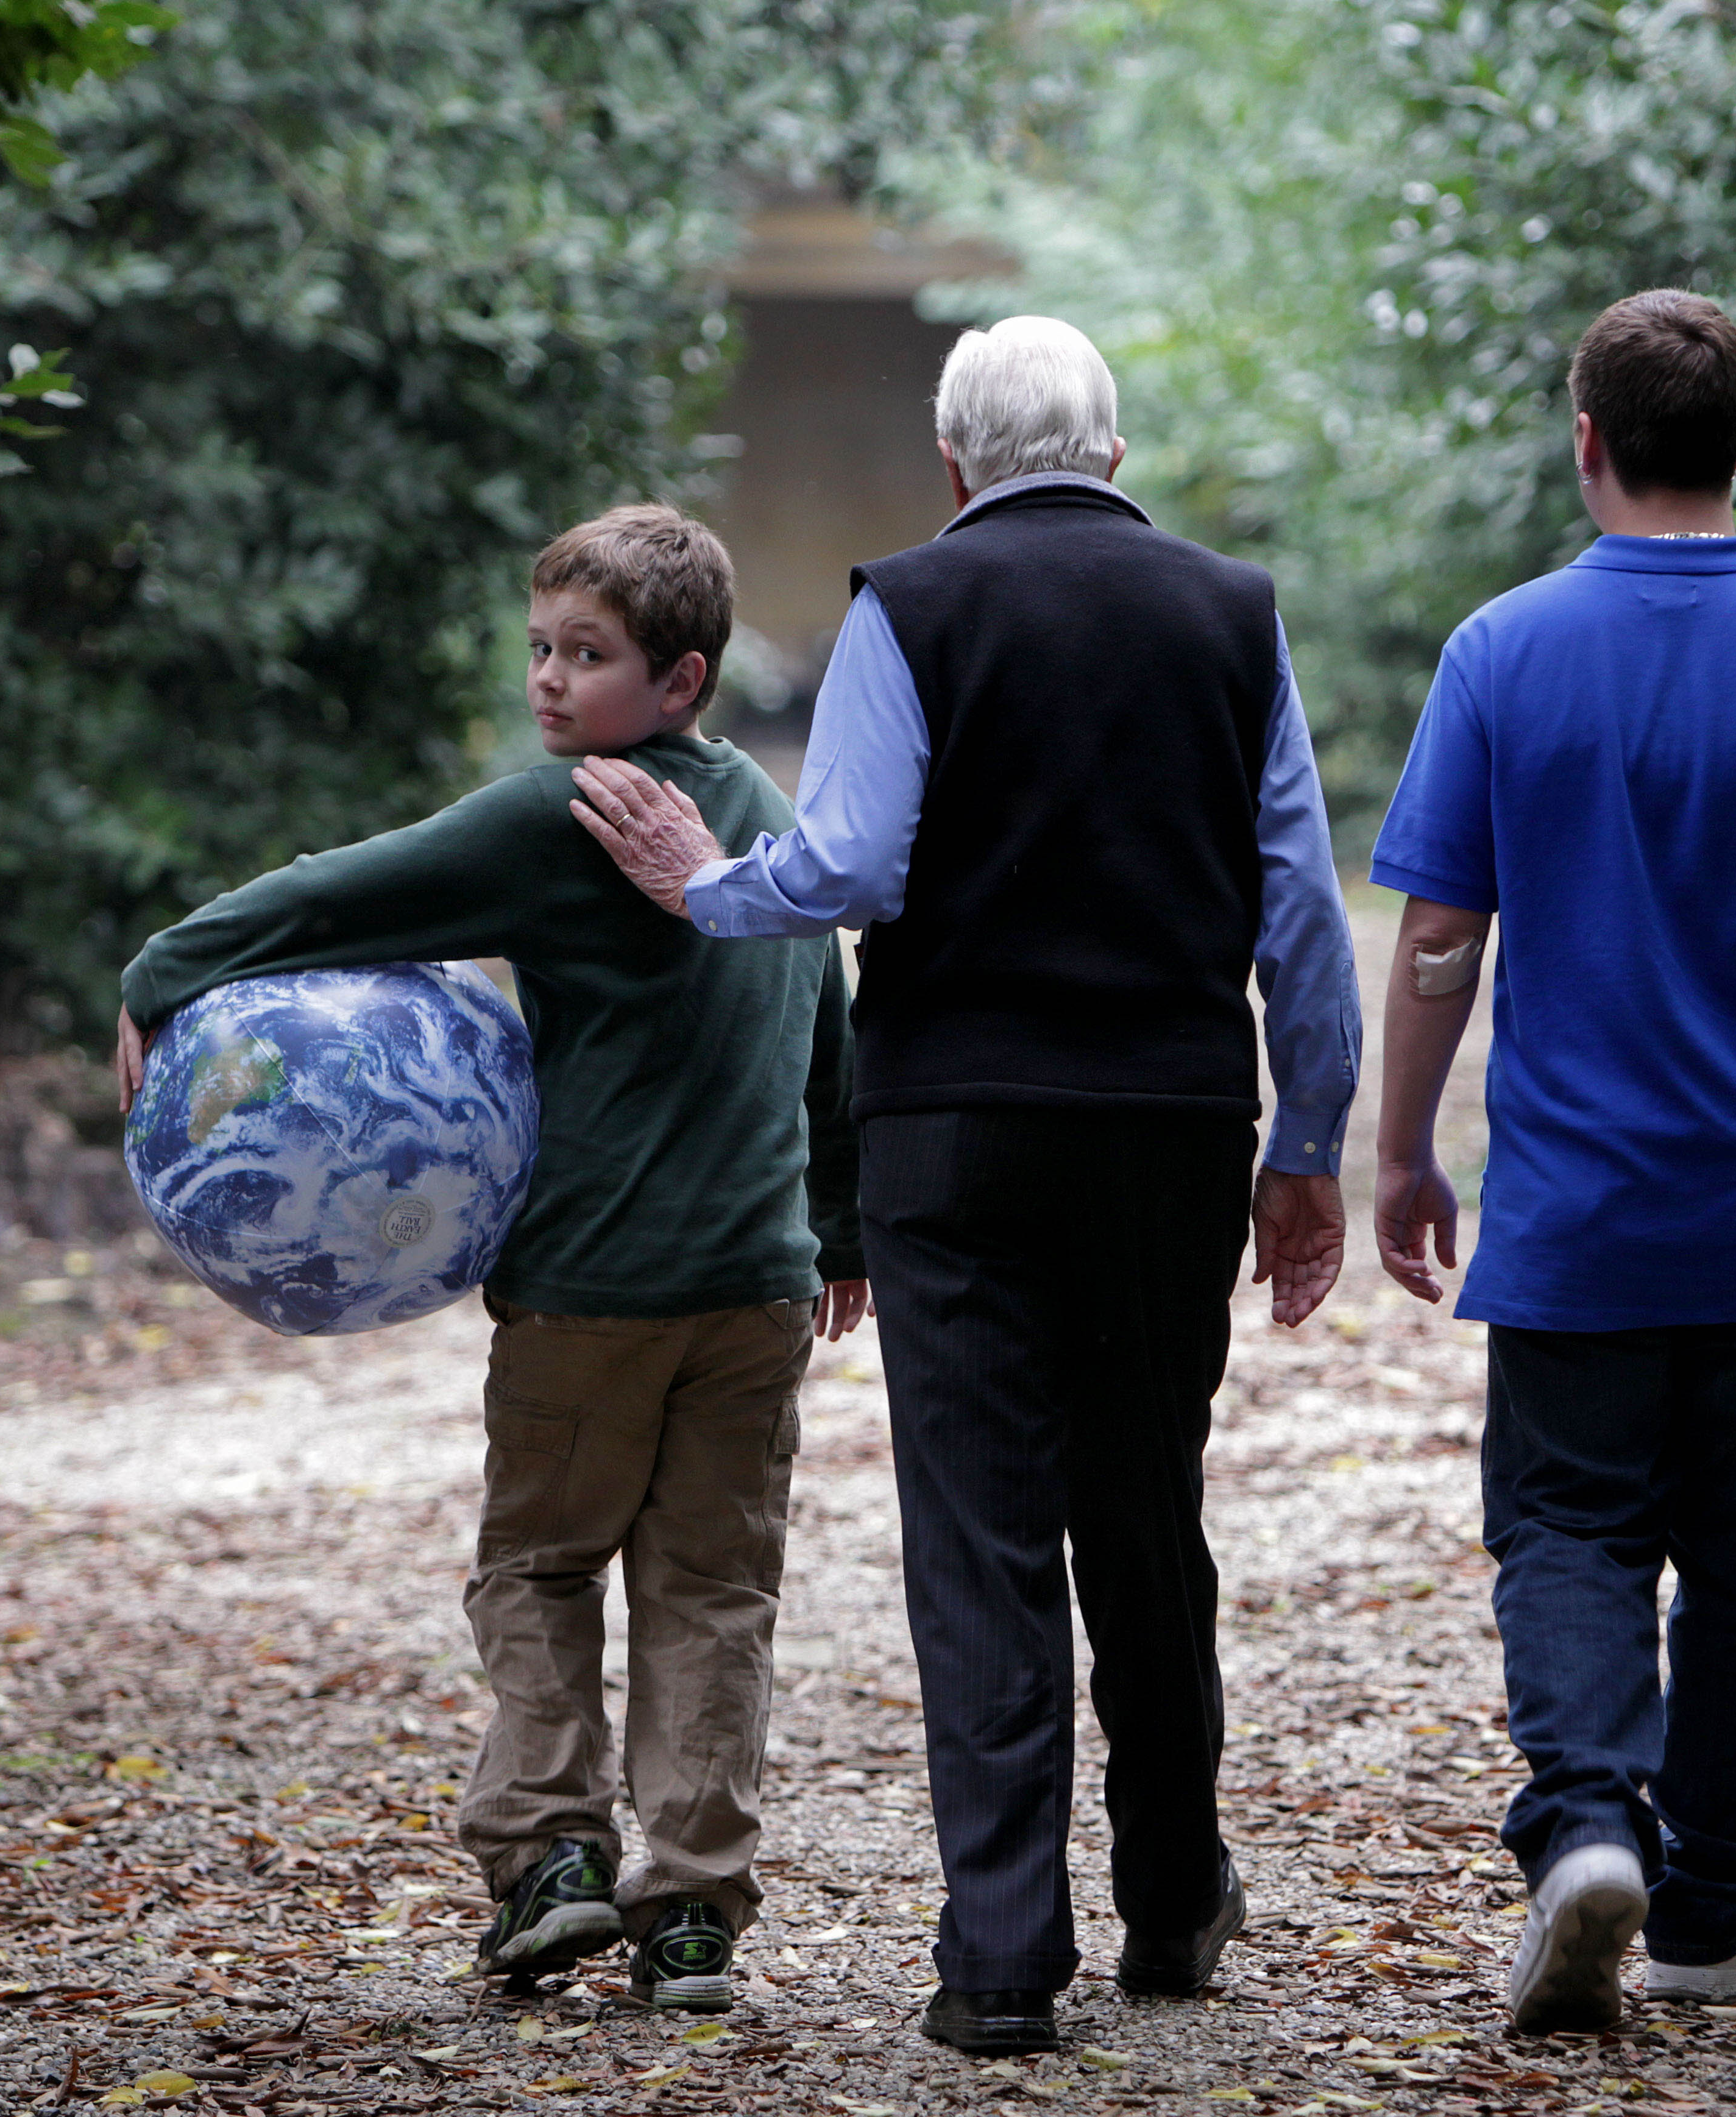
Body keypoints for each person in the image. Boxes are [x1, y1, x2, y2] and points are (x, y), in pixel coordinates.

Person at [566, 317, 1363, 2056]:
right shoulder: (1233, 616)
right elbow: (1295, 901)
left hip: (954, 1132)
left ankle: (1002, 1958)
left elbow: (853, 861)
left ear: (951, 467)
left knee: (983, 1530)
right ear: (1116, 457)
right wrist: (1305, 1146)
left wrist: (709, 881)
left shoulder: (905, 607)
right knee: (1147, 1510)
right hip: (1166, 1123)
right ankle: (1170, 1904)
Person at [113, 505, 868, 2015]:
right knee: (716, 1590)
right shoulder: (769, 825)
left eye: (588, 657)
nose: (548, 682)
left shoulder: (563, 817)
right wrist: (842, 1226)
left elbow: (347, 889)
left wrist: (159, 974)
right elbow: (830, 1028)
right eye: (540, 648)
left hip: (592, 1290)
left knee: (538, 1565)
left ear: (682, 678)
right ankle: (696, 1914)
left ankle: (549, 1863)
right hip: (757, 1293)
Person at [1368, 291, 1736, 2035]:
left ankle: (1578, 1827)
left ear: (1584, 447)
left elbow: (1435, 936)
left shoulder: (1500, 653)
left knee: (1564, 1522)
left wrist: (1402, 1150)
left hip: (1574, 1217)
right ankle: (1710, 1904)